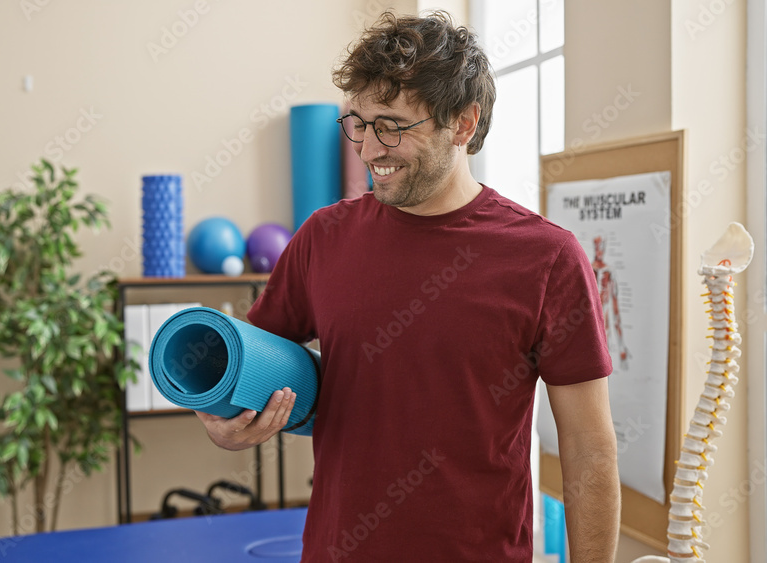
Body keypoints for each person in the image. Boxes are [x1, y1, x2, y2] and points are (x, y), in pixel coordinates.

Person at [195, 11, 621, 562]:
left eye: (393, 125)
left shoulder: (547, 259)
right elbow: (245, 366)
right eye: (360, 123)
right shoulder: (323, 238)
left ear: (463, 124)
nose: (370, 149)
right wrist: (226, 425)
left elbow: (589, 451)